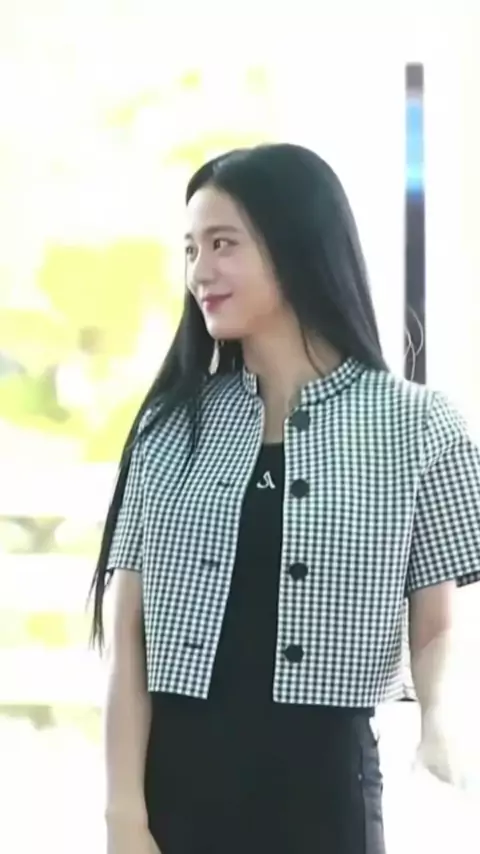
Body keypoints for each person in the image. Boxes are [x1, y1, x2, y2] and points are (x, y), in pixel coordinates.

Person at [89, 143, 480, 854]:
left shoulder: (419, 427)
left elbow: (436, 627)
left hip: (325, 797)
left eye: (222, 244)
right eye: (190, 249)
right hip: (175, 795)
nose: (199, 272)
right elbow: (127, 640)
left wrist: (441, 723)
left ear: (296, 244)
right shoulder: (168, 427)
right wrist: (124, 817)